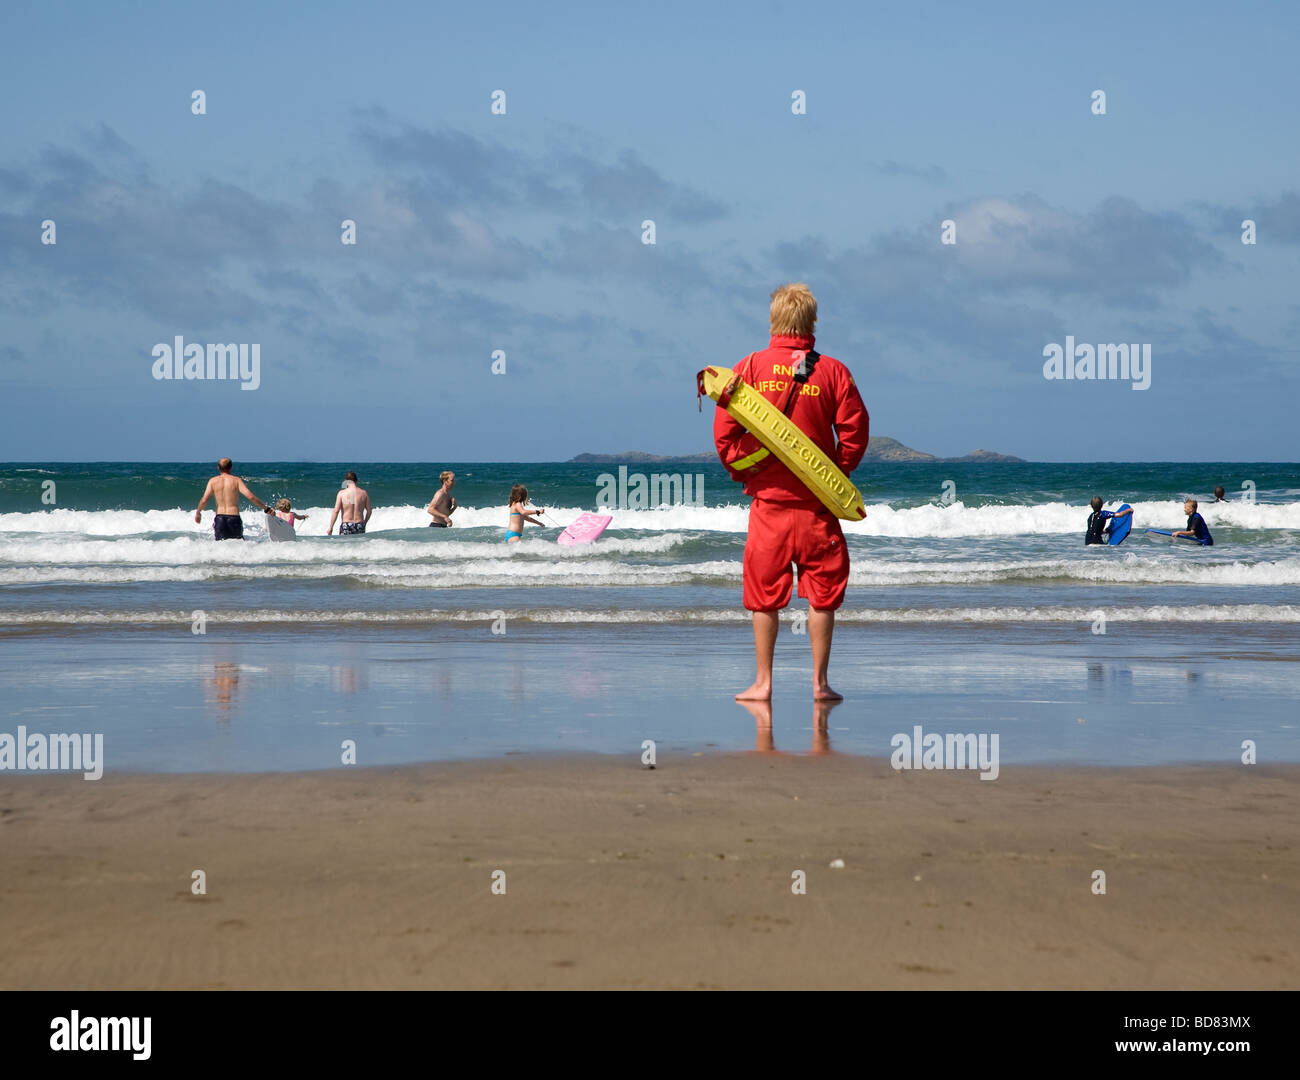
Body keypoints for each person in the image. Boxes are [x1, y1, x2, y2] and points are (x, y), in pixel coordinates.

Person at [711, 282, 869, 702]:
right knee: (823, 594)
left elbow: (725, 436)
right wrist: (837, 472)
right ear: (811, 321)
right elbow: (854, 430)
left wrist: (747, 473)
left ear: (773, 320)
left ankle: (763, 684)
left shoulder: (749, 367)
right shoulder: (834, 371)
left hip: (769, 509)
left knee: (764, 596)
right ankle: (819, 685)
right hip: (818, 507)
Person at [194, 458, 269, 540]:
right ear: (231, 467)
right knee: (238, 547)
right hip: (234, 518)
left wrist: (198, 512)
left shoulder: (212, 481)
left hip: (220, 519)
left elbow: (204, 500)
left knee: (220, 547)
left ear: (218, 468)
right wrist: (266, 509)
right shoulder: (236, 480)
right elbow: (250, 496)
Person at [329, 471, 371, 535]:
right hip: (359, 524)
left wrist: (331, 527)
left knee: (345, 544)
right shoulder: (364, 493)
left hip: (346, 524)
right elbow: (369, 511)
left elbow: (336, 511)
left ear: (346, 481)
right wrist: (364, 523)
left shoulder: (341, 493)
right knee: (359, 544)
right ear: (356, 480)